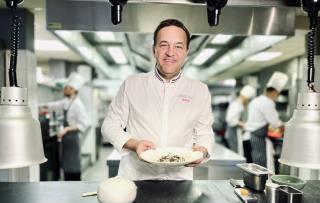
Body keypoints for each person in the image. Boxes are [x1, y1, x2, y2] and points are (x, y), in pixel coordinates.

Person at [101, 19, 214, 180]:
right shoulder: (132, 84)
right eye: (164, 45)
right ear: (154, 49)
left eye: (178, 46)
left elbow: (205, 133)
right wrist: (134, 144)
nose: (170, 52)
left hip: (179, 180)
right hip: (136, 179)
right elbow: (109, 125)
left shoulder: (199, 90)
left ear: (186, 52)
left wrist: (202, 150)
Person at [45, 72, 90, 180]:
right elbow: (54, 105)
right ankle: (68, 183)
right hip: (67, 139)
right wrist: (40, 107)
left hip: (73, 139)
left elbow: (84, 124)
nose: (65, 89)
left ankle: (74, 185)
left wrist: (66, 129)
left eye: (68, 87)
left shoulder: (78, 105)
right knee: (66, 165)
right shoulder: (67, 102)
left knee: (73, 165)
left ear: (74, 90)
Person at [246, 72, 288, 168]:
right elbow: (275, 122)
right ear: (274, 92)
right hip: (258, 135)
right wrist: (284, 127)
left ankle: (258, 180)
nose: (276, 97)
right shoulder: (268, 102)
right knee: (261, 161)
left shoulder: (256, 100)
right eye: (277, 94)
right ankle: (261, 181)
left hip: (253, 134)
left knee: (257, 159)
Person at [225, 85, 256, 156]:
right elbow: (229, 120)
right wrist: (243, 124)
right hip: (233, 133)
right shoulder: (235, 105)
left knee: (237, 153)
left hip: (236, 132)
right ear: (245, 97)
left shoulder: (239, 104)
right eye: (248, 99)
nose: (247, 101)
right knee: (235, 154)